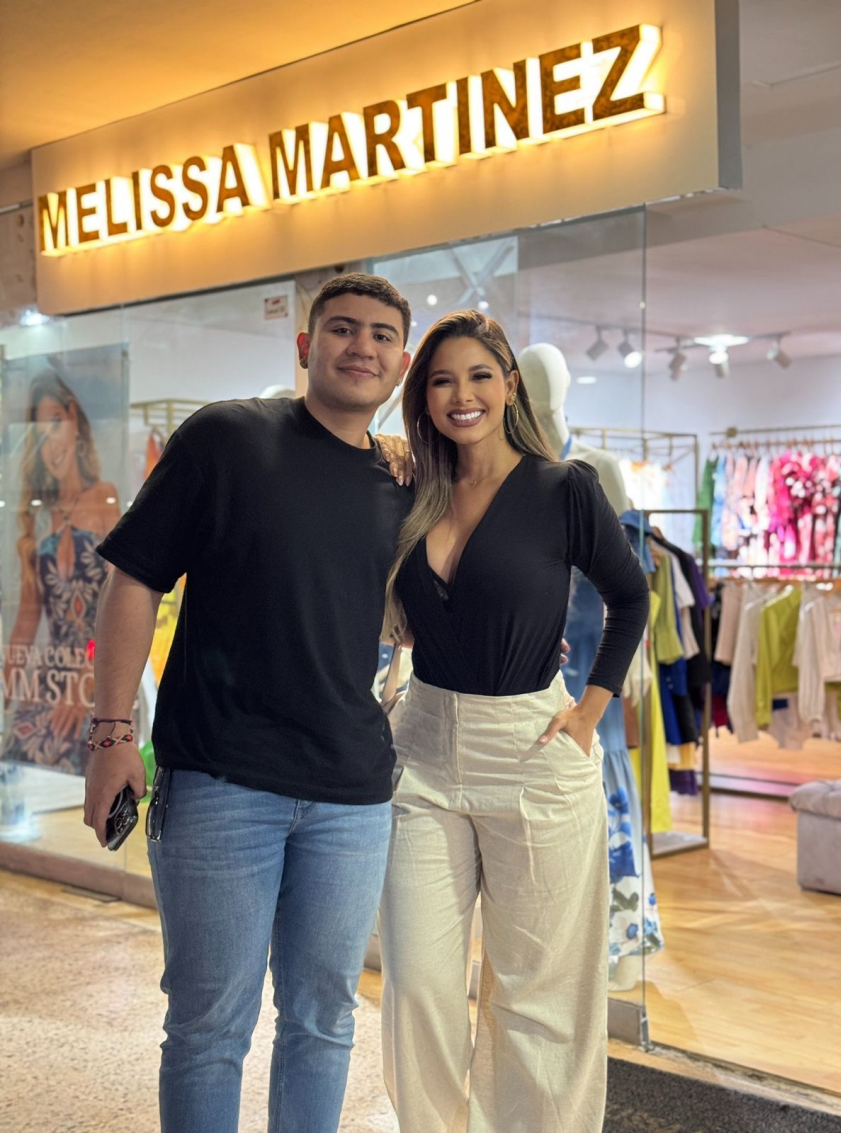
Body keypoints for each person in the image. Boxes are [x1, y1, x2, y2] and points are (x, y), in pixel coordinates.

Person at [83, 273, 416, 1133]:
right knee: (209, 1025)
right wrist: (113, 734)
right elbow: (134, 580)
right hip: (220, 783)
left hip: (351, 794)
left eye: (381, 335)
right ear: (306, 346)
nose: (361, 346)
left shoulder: (405, 483)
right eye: (342, 328)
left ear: (401, 363)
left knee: (324, 1018)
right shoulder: (226, 437)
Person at [378, 311, 650, 1133]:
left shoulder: (563, 488)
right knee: (418, 984)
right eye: (441, 380)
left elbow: (630, 594)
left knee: (539, 995)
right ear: (423, 397)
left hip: (532, 748)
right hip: (424, 749)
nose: (461, 395)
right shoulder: (411, 490)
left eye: (478, 376)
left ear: (508, 386)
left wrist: (590, 707)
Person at [2, 370, 120, 774]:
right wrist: (6, 689)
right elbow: (26, 620)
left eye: (55, 423)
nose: (50, 443)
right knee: (21, 758)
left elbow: (117, 603)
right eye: (40, 433)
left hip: (99, 669)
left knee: (80, 766)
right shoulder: (39, 514)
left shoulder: (104, 498)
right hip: (50, 678)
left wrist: (88, 677)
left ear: (73, 419)